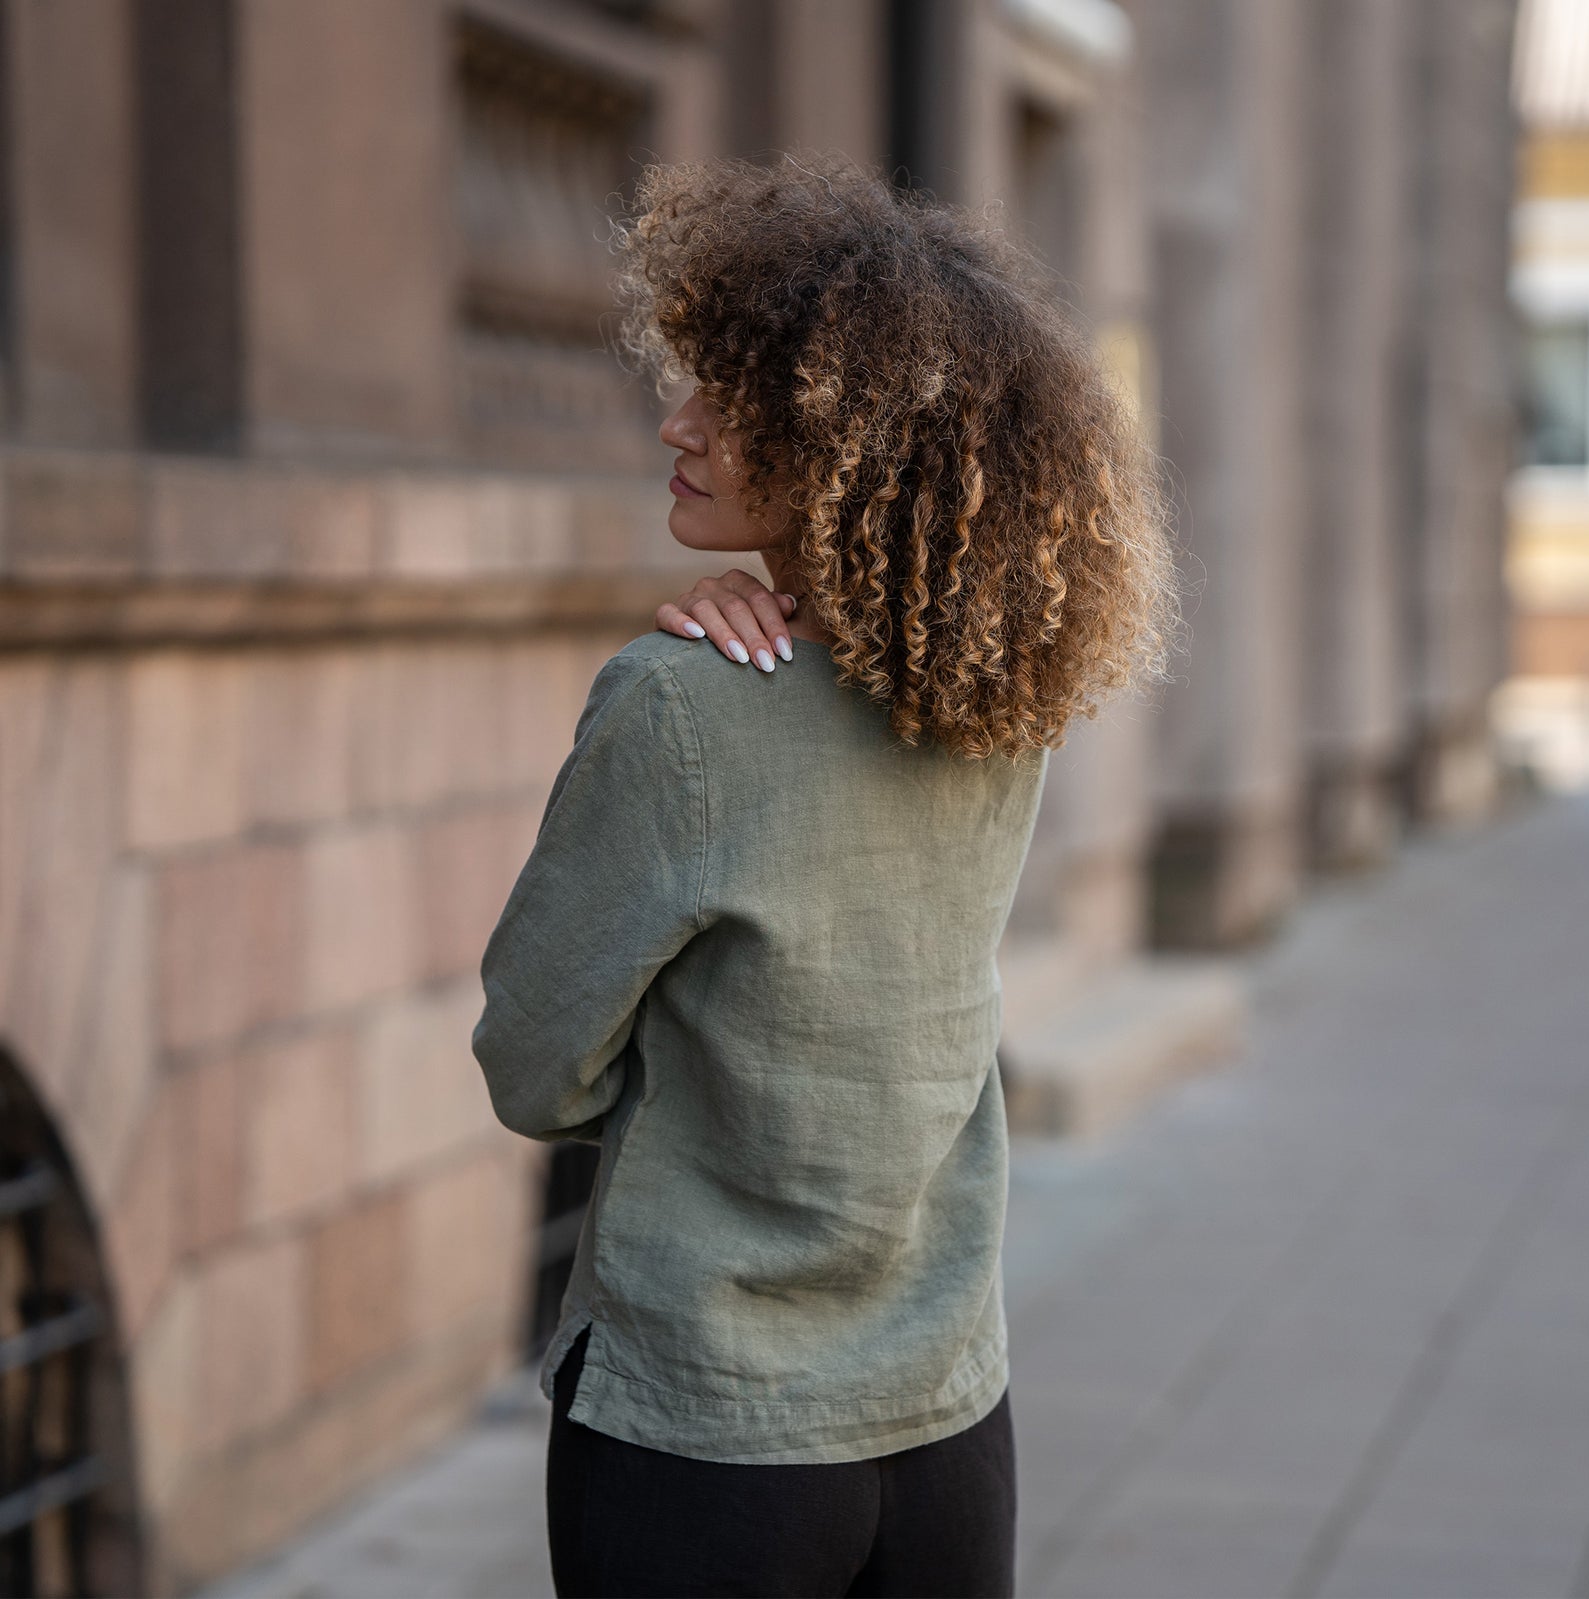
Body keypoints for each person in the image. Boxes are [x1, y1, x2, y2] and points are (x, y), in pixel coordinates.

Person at [471, 153, 1182, 1598]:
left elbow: (532, 1070)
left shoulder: (679, 707)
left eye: (733, 400)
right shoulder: (999, 694)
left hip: (709, 1437)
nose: (675, 420)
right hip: (946, 1425)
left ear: (849, 444)